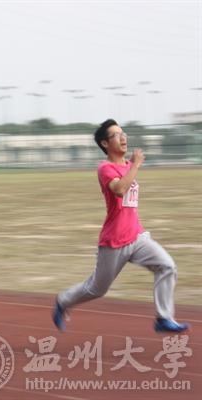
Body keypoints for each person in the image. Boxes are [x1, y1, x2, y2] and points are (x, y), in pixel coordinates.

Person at [53, 119, 189, 333]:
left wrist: (131, 165)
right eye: (116, 135)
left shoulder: (127, 165)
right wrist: (135, 165)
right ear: (105, 143)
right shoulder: (105, 168)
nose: (123, 137)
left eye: (123, 133)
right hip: (114, 241)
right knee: (97, 289)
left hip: (137, 236)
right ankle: (63, 301)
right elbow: (119, 190)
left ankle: (163, 318)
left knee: (167, 266)